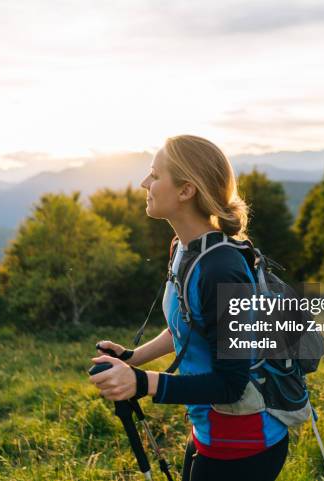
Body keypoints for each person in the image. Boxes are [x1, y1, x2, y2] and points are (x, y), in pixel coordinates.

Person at [89, 135, 289, 481]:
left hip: (245, 446)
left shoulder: (220, 269)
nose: (143, 183)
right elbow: (187, 325)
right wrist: (132, 357)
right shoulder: (184, 250)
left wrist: (140, 382)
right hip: (210, 434)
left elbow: (232, 383)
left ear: (186, 191)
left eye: (154, 175)